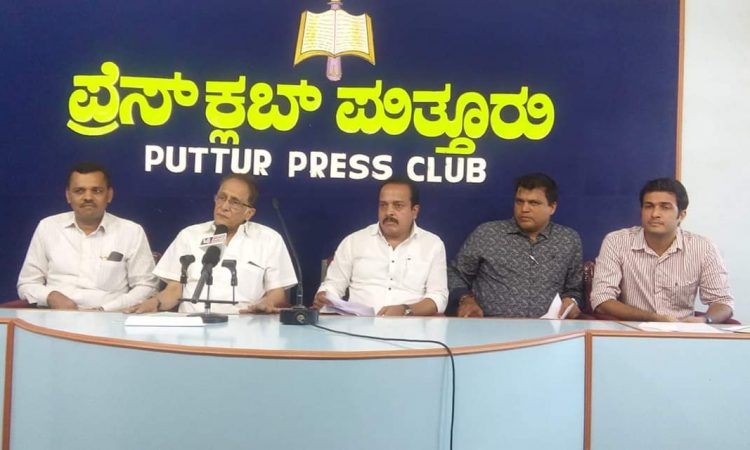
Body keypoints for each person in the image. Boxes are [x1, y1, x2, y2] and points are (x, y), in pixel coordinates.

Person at [128, 173, 297, 314]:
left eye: (234, 202)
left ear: (249, 213)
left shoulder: (269, 239)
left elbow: (277, 292)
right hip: (192, 326)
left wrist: (266, 304)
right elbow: (175, 288)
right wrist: (155, 303)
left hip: (245, 326)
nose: (224, 206)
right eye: (221, 198)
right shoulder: (189, 235)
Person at [17, 162, 158, 311]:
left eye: (97, 191)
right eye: (79, 191)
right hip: (56, 315)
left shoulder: (131, 231)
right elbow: (27, 283)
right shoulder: (48, 227)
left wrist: (105, 309)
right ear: (68, 196)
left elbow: (147, 286)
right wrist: (51, 296)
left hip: (111, 317)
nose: (88, 197)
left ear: (109, 195)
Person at [590, 178, 734, 323]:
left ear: (681, 215)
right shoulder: (616, 242)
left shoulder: (704, 248)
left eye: (665, 207)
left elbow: (722, 301)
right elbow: (602, 299)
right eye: (649, 206)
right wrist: (652, 318)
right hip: (633, 329)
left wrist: (705, 320)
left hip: (682, 331)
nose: (654, 214)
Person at [448, 173, 583, 318]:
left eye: (533, 203)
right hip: (490, 325)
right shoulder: (487, 233)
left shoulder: (568, 240)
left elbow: (574, 289)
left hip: (548, 327)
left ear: (552, 207)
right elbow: (455, 274)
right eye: (519, 201)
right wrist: (465, 300)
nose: (524, 209)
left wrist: (572, 301)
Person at [313, 177, 448, 316]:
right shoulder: (354, 241)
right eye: (383, 205)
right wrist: (324, 296)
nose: (389, 212)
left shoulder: (432, 245)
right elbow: (333, 286)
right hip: (357, 324)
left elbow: (438, 298)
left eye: (398, 205)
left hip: (410, 324)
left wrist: (405, 310)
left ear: (414, 211)